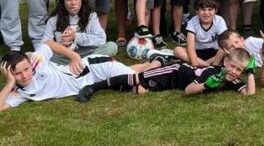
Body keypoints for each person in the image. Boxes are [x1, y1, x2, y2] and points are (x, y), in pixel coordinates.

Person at [0, 41, 155, 109]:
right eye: (18, 74)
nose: (25, 75)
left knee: (137, 79)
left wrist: (73, 56)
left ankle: (161, 62)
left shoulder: (35, 61)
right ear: (9, 74)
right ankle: (156, 59)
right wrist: (9, 84)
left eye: (26, 69)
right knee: (131, 72)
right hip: (89, 81)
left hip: (92, 69)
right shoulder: (19, 92)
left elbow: (48, 43)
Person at [75, 48, 256, 102]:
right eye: (232, 67)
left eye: (239, 69)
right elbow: (188, 90)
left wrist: (250, 72)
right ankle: (94, 86)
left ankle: (159, 59)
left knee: (139, 91)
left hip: (172, 83)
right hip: (175, 72)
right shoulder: (212, 73)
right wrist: (207, 85)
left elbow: (250, 93)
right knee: (135, 78)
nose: (234, 72)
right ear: (225, 63)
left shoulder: (233, 79)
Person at [43, 0, 118, 64]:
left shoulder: (91, 16)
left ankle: (78, 66)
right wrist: (59, 45)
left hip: (88, 54)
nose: (73, 3)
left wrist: (75, 37)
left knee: (112, 46)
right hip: (65, 57)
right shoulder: (53, 21)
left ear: (82, 0)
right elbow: (44, 46)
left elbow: (101, 39)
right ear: (63, 2)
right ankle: (85, 66)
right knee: (37, 56)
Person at [174, 0, 227, 66]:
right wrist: (195, 64)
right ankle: (205, 65)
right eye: (203, 9)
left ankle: (213, 66)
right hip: (198, 52)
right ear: (197, 10)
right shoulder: (192, 22)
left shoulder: (219, 20)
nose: (206, 13)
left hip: (215, 53)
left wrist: (215, 62)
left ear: (216, 10)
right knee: (177, 50)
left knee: (227, 49)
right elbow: (190, 47)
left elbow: (224, 44)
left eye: (210, 9)